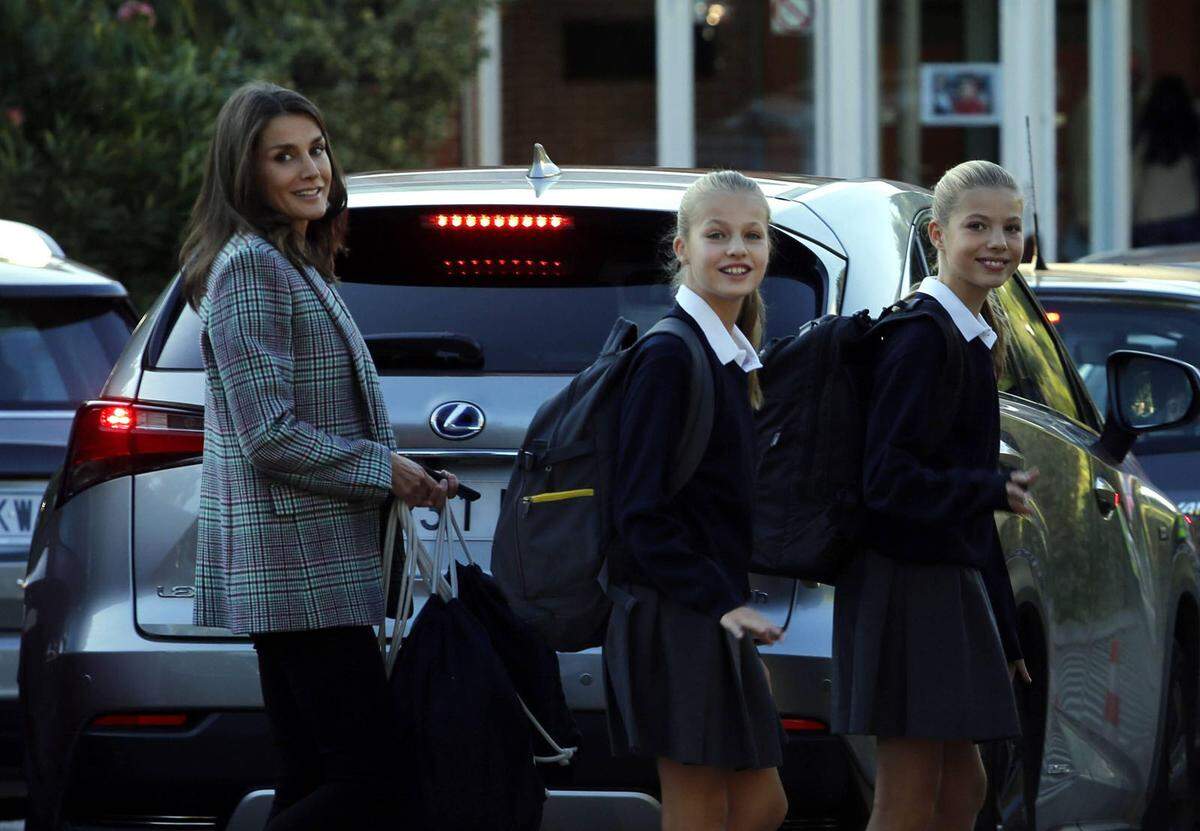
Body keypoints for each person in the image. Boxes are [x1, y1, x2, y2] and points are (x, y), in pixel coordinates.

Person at [180, 81, 456, 830]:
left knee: (312, 774)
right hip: (298, 569)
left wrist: (408, 476)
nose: (312, 170)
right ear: (246, 173)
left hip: (313, 565)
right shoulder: (252, 270)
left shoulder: (295, 261)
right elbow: (269, 431)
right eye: (284, 157)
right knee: (375, 778)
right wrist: (383, 468)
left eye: (317, 149)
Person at [831, 160, 1037, 831]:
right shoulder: (922, 335)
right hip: (904, 585)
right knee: (909, 791)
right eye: (977, 225)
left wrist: (1003, 632)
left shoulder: (971, 336)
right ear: (937, 233)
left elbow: (969, 516)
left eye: (1010, 226)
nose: (997, 242)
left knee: (961, 785)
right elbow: (887, 481)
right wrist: (988, 486)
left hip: (943, 583)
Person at [603, 170, 789, 831]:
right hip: (674, 615)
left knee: (761, 804)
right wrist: (725, 606)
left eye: (752, 234)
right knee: (701, 809)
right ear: (682, 248)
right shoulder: (669, 355)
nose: (737, 249)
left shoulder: (731, 357)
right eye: (717, 234)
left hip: (709, 610)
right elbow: (640, 513)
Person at [1132, 75, 1200, 247]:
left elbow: (1134, 178)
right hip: (1185, 213)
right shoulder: (1191, 135)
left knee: (1150, 272)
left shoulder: (1145, 136)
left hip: (1149, 216)